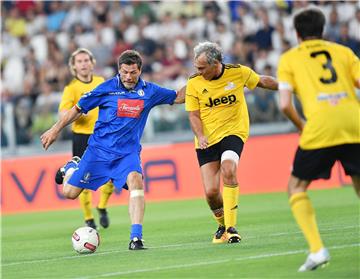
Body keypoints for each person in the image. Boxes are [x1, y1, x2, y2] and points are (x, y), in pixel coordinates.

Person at [41, 50, 185, 250]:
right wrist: (54, 130)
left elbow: (178, 97)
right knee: (69, 193)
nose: (128, 77)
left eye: (132, 72)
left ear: (140, 70)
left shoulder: (149, 91)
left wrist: (200, 82)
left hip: (127, 154)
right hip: (98, 152)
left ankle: (136, 238)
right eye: (124, 72)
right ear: (119, 70)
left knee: (136, 181)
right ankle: (72, 167)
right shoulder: (106, 88)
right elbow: (77, 109)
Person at [277, 8, 360, 272]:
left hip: (320, 126)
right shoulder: (344, 52)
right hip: (353, 122)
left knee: (296, 187)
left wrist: (302, 126)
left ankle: (317, 250)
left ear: (297, 33)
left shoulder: (289, 59)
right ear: (323, 29)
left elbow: (284, 105)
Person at [185, 42, 278, 244]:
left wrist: (289, 87)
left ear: (215, 63)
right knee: (211, 193)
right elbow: (193, 115)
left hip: (234, 132)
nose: (198, 71)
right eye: (196, 67)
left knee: (229, 169)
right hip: (206, 139)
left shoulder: (238, 73)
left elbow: (262, 81)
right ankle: (221, 224)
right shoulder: (194, 83)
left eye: (201, 68)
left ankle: (231, 228)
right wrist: (200, 135)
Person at [57, 48, 114, 230]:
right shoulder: (71, 88)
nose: (83, 64)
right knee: (83, 178)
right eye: (79, 61)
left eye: (86, 60)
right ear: (74, 66)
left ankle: (102, 206)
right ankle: (89, 218)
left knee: (112, 174)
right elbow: (63, 113)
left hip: (102, 134)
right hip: (82, 137)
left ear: (92, 63)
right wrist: (77, 114)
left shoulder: (100, 82)